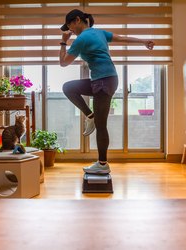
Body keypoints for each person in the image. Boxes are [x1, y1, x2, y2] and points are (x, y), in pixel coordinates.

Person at [59, 9, 154, 174]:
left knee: (101, 126)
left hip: (103, 81)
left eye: (69, 26)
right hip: (104, 79)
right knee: (69, 87)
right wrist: (143, 41)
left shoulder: (81, 39)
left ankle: (102, 164)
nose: (70, 31)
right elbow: (122, 38)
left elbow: (63, 63)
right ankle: (90, 116)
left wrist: (62, 42)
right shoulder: (99, 33)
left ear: (77, 20)